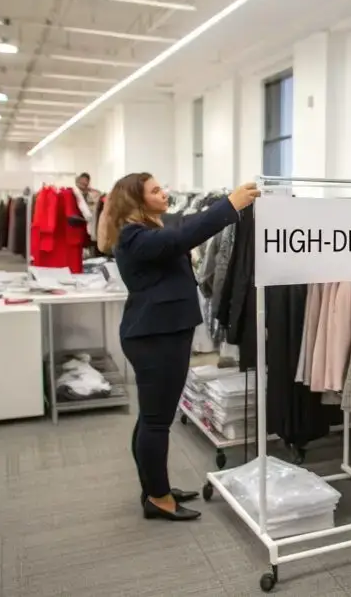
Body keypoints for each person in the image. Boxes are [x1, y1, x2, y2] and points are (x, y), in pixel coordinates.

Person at [98, 173, 261, 521]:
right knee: (157, 422)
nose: (164, 194)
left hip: (159, 333)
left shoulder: (145, 230)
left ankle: (155, 488)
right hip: (156, 337)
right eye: (155, 191)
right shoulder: (135, 237)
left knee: (152, 419)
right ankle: (158, 497)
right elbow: (186, 233)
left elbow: (182, 226)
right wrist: (229, 204)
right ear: (137, 201)